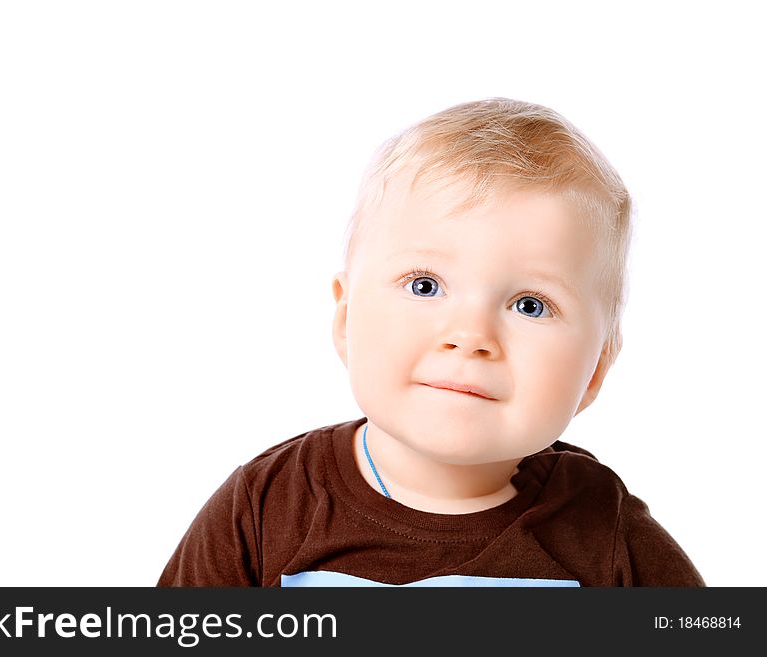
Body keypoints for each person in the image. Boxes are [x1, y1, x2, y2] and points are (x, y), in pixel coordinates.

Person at [157, 98, 704, 587]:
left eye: (530, 305)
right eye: (425, 286)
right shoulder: (267, 506)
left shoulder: (604, 531)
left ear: (595, 370)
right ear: (347, 318)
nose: (470, 337)